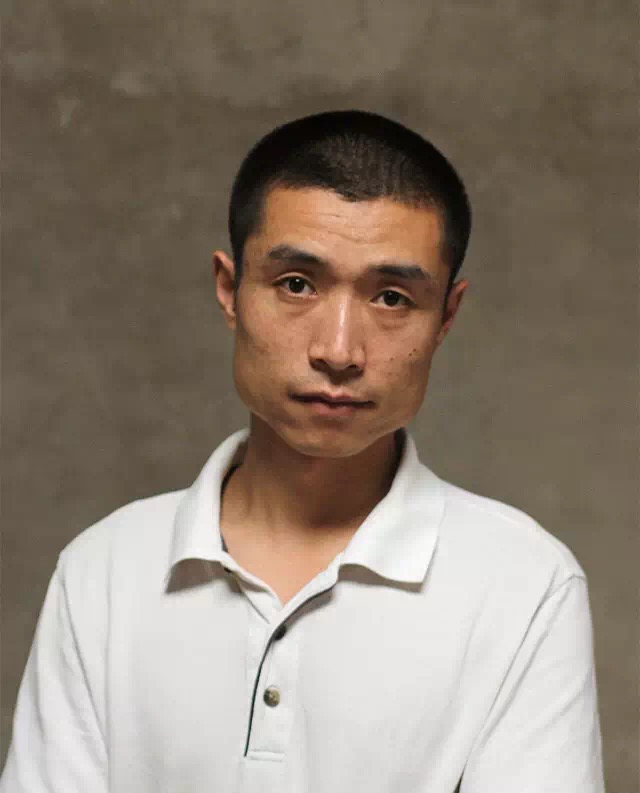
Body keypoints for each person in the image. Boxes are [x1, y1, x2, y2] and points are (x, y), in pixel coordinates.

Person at [1, 110, 605, 792]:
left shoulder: (526, 585)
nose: (338, 350)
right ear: (230, 289)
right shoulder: (103, 571)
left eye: (392, 297)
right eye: (296, 284)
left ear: (446, 317)